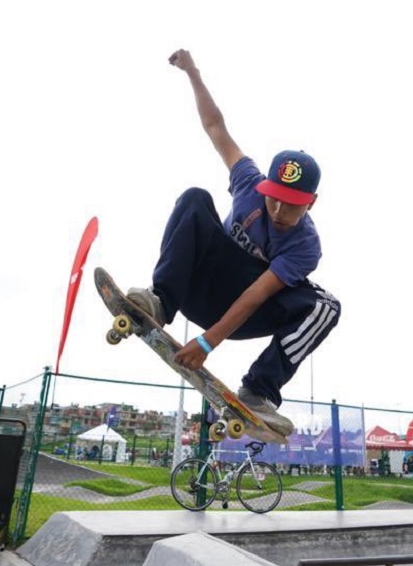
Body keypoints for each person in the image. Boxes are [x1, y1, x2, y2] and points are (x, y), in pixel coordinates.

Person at [124, 49, 341, 436]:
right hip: (199, 288)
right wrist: (193, 73)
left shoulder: (306, 246)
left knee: (325, 306)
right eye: (272, 197)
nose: (276, 210)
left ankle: (259, 390)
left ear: (311, 202)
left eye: (291, 206)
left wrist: (207, 342)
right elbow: (215, 127)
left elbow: (257, 295)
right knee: (195, 197)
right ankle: (161, 300)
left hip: (242, 311)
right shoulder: (247, 182)